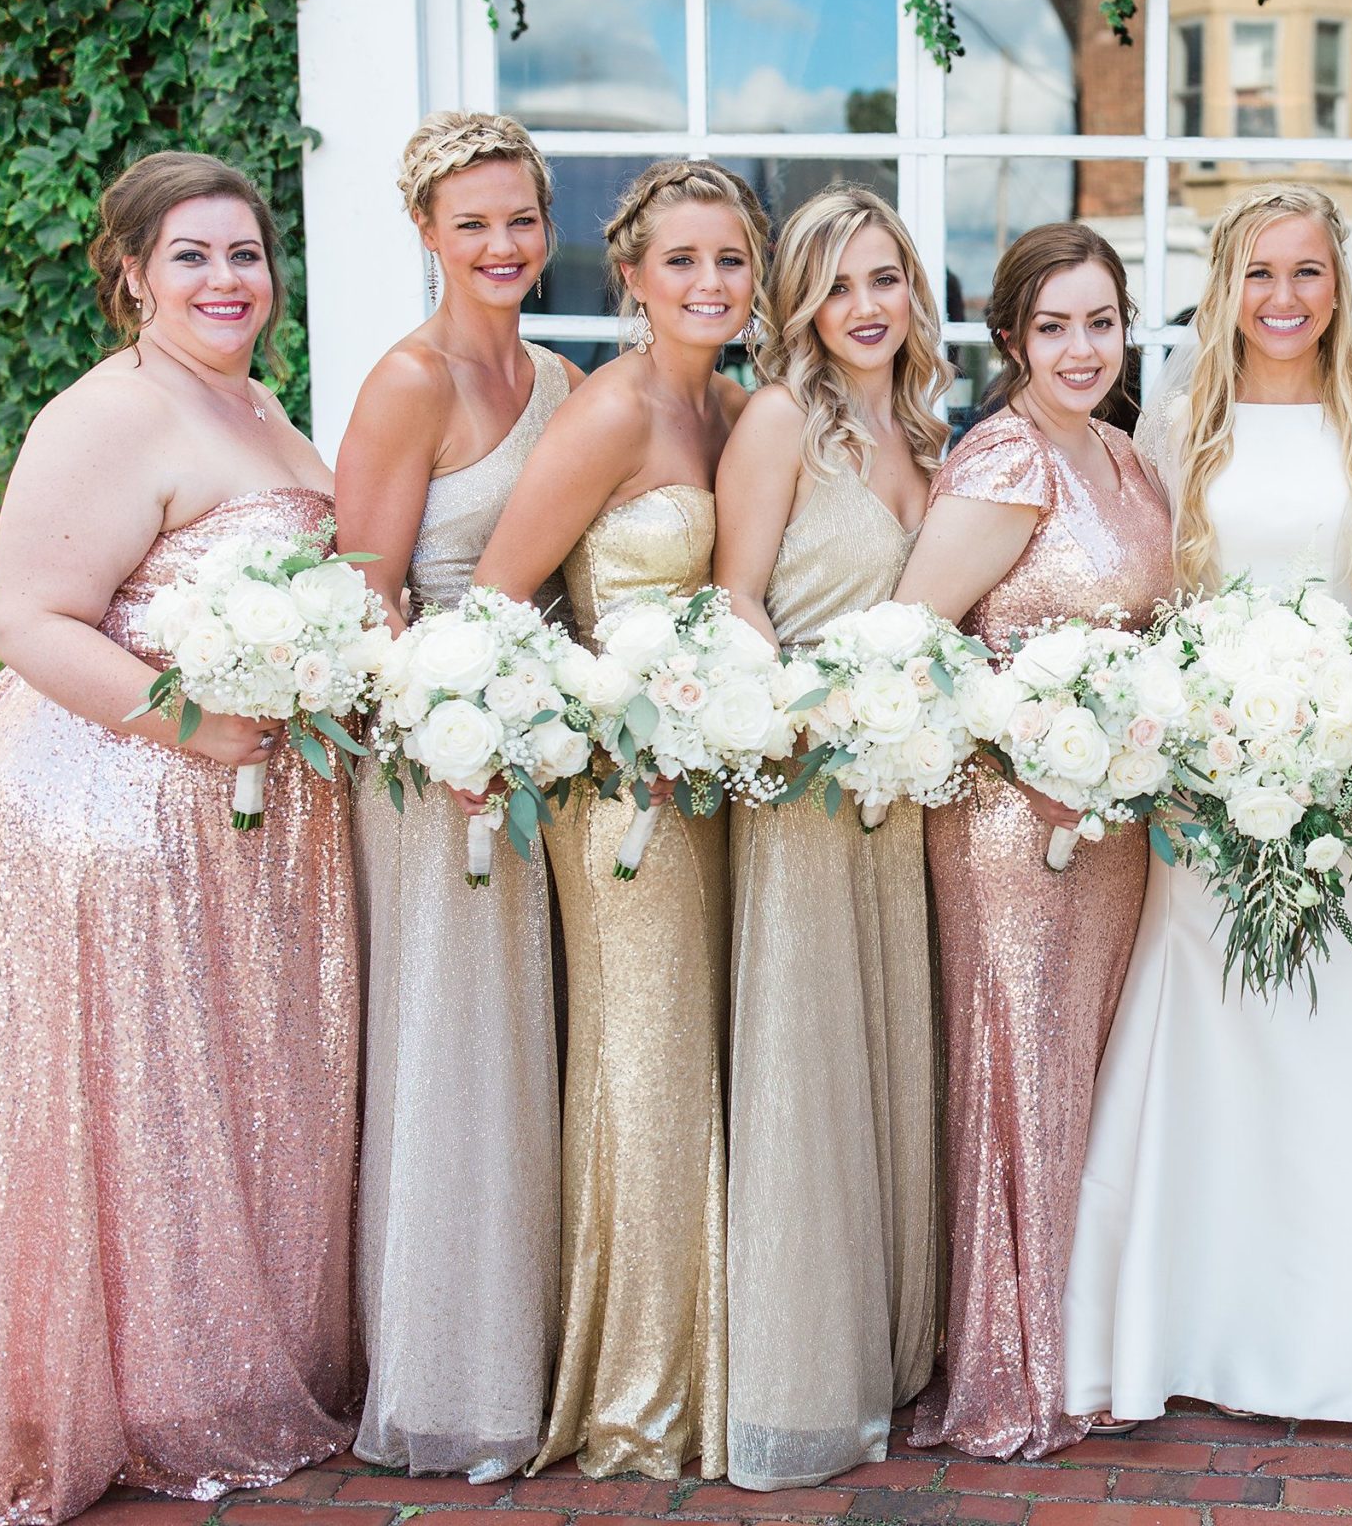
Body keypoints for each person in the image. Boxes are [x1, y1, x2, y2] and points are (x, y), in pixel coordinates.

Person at [0, 152, 359, 1523]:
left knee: (237, 1085)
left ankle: (227, 1362)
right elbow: (29, 620)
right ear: (129, 271)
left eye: (244, 252)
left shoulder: (254, 406)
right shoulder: (108, 412)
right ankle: (147, 1389)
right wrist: (200, 724)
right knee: (149, 1089)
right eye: (190, 255)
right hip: (115, 798)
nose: (226, 278)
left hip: (239, 805)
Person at [1061, 185, 1352, 1428]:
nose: (1283, 299)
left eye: (1307, 274)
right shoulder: (1181, 420)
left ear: (1337, 288)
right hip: (1208, 769)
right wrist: (1185, 739)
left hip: (1344, 770)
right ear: (1223, 289)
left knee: (1339, 1001)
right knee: (1216, 1011)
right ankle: (1191, 1316)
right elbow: (1159, 598)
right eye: (1258, 275)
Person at [469, 159, 760, 1479]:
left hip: (712, 794)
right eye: (683, 259)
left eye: (732, 259)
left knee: (702, 1065)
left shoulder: (737, 408)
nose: (711, 282)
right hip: (622, 801)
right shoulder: (611, 412)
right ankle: (642, 1397)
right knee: (643, 1078)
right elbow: (495, 604)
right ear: (631, 277)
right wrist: (606, 726)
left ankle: (715, 1361)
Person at [896, 224, 1174, 1461]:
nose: (1080, 348)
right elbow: (915, 643)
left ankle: (1090, 1338)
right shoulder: (1005, 460)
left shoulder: (1124, 455)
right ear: (1011, 338)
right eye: (1053, 326)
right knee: (1021, 1071)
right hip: (1015, 825)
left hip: (1114, 824)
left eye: (1100, 323)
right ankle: (1014, 1365)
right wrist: (1038, 758)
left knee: (1095, 1074)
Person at [335, 110, 581, 1481]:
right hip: (431, 767)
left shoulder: (555, 378)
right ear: (427, 231)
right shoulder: (407, 381)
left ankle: (533, 1350)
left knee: (527, 1054)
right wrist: (446, 727)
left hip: (533, 744)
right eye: (473, 221)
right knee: (453, 1058)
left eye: (521, 219)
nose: (501, 244)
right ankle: (450, 1380)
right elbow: (362, 606)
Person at [710, 187, 948, 1487]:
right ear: (800, 303)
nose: (866, 306)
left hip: (902, 788)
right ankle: (806, 1380)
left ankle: (887, 1349)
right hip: (805, 788)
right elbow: (736, 597)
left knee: (888, 1059)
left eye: (885, 278)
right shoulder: (780, 419)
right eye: (838, 283)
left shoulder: (918, 425)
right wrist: (803, 716)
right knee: (809, 1072)